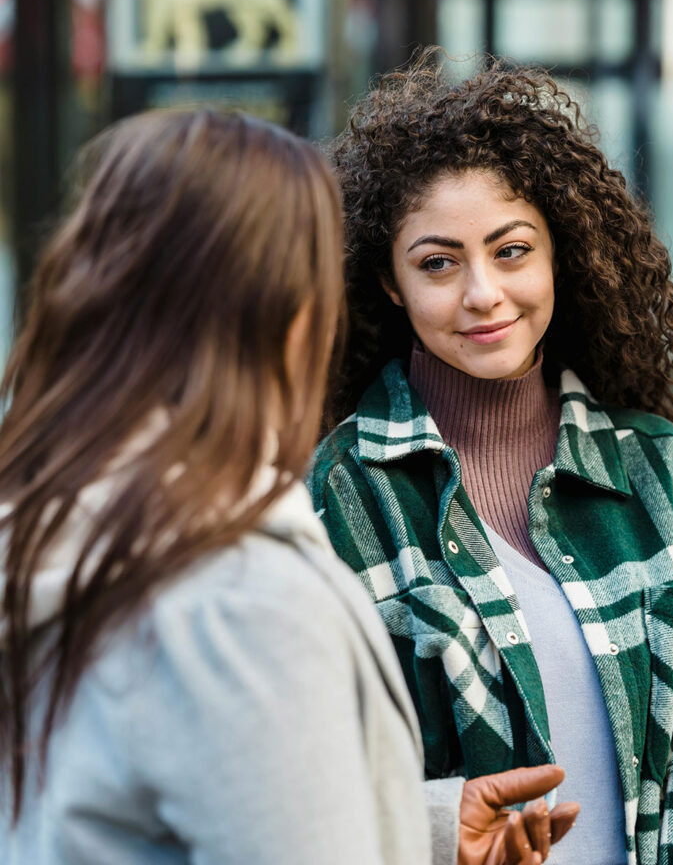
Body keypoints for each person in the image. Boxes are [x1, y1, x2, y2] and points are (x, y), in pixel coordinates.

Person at [309, 52, 673, 865]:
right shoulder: (334, 502)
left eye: (510, 251)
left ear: (558, 254)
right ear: (390, 284)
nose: (482, 293)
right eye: (438, 263)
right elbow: (307, 785)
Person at [0, 108, 437, 865]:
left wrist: (417, 817)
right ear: (290, 316)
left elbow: (119, 809)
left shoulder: (57, 518)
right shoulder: (242, 602)